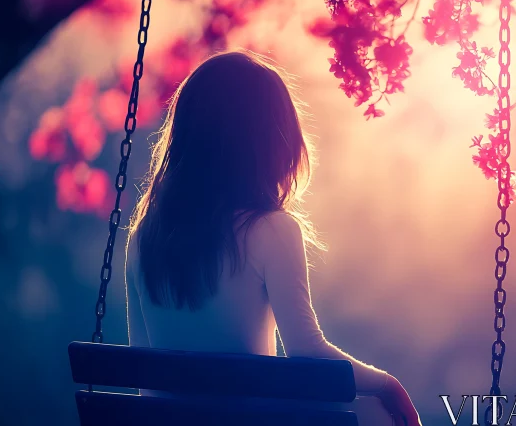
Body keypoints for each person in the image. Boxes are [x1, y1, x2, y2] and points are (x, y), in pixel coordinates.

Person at [124, 50, 421, 426]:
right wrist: (388, 384)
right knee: (376, 412)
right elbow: (307, 351)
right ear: (270, 141)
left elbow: (142, 373)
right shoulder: (269, 230)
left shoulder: (142, 239)